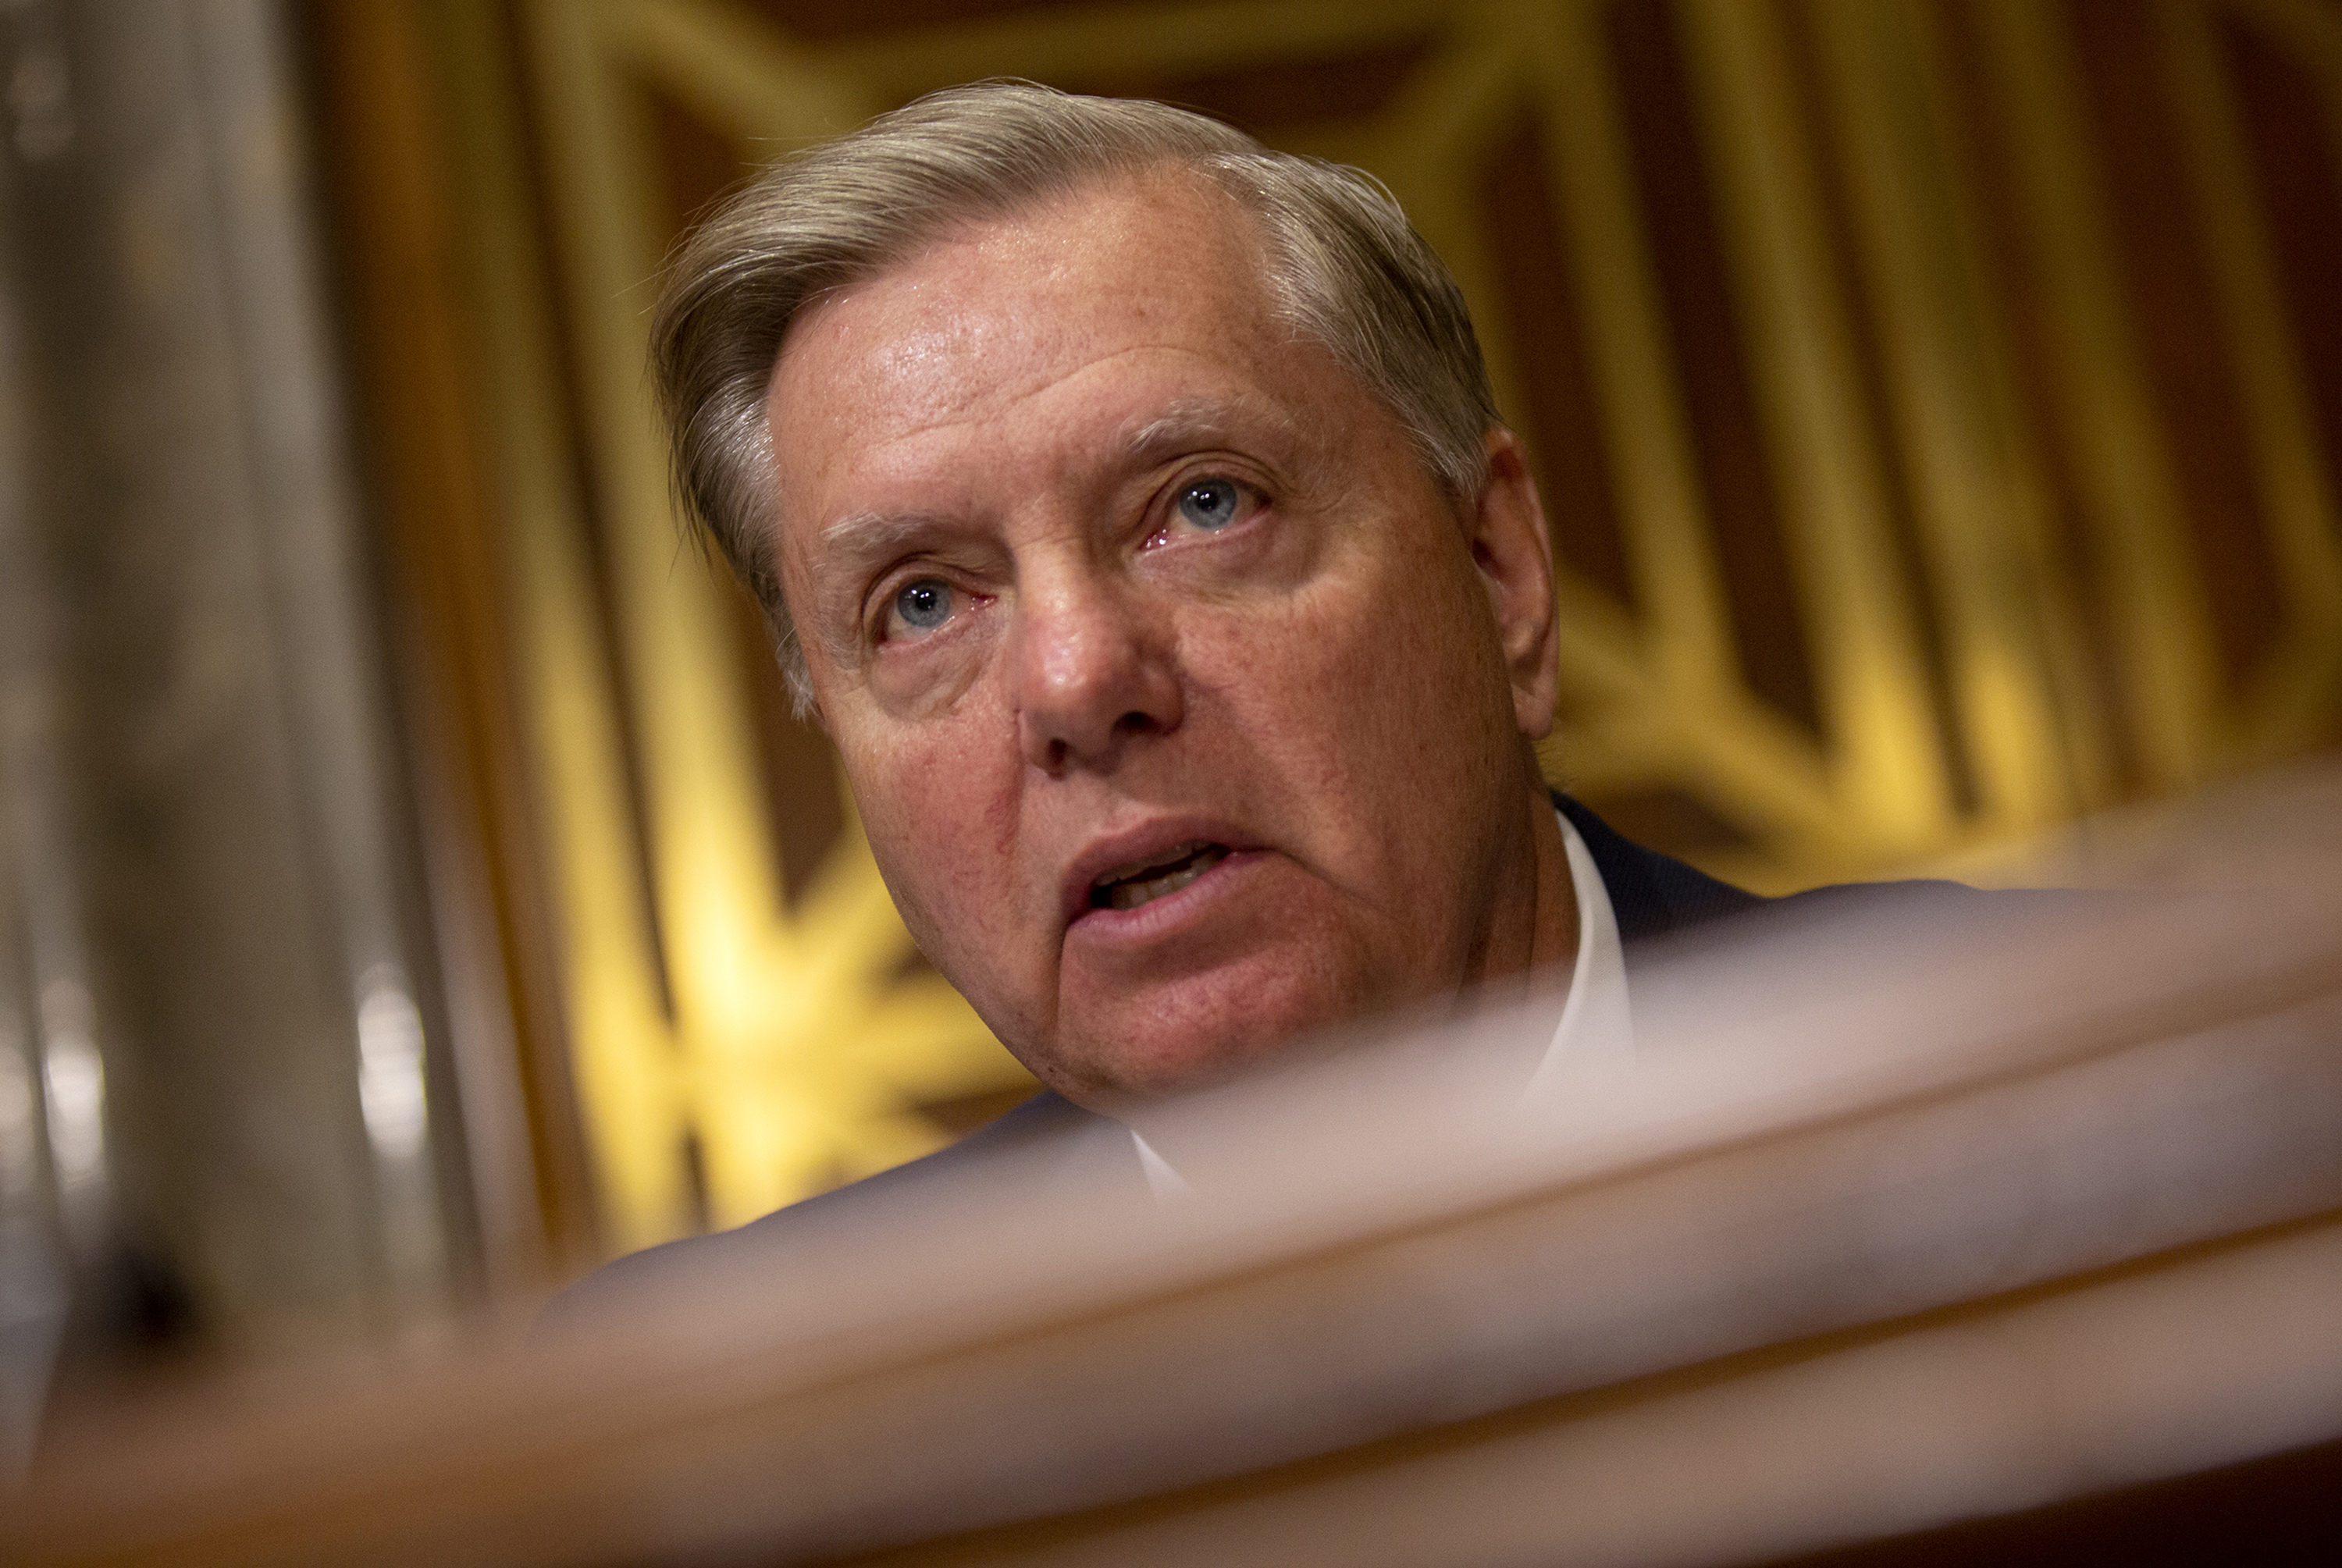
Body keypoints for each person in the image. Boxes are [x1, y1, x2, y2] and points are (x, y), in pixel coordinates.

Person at [572, 80, 1854, 1294]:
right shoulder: (702, 1435)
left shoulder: (2037, 1073)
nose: (1076, 678)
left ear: (1499, 574)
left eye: (1201, 503)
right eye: (921, 601)